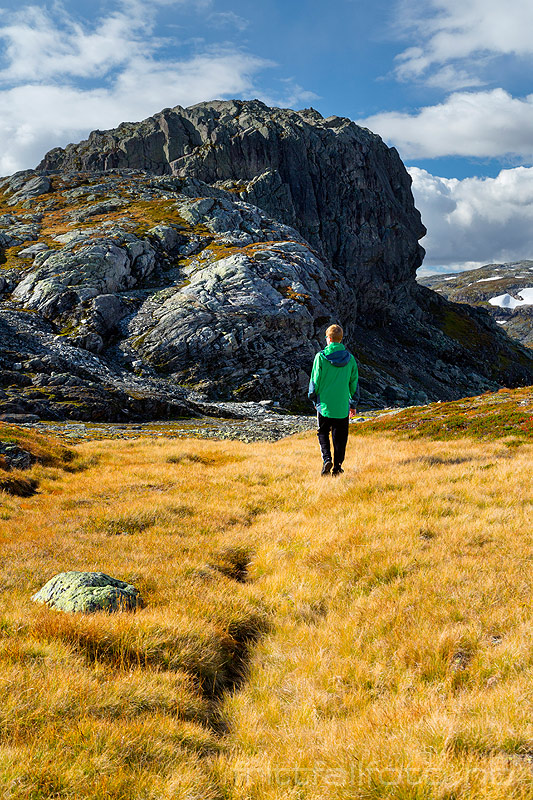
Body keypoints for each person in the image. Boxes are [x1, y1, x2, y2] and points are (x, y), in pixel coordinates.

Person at [308, 324, 359, 476]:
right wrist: (353, 404)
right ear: (340, 339)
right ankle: (337, 467)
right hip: (342, 406)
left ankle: (326, 459)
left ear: (328, 339)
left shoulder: (321, 357)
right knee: (340, 438)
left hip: (324, 405)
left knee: (322, 432)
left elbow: (315, 380)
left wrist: (313, 397)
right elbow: (354, 383)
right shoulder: (350, 359)